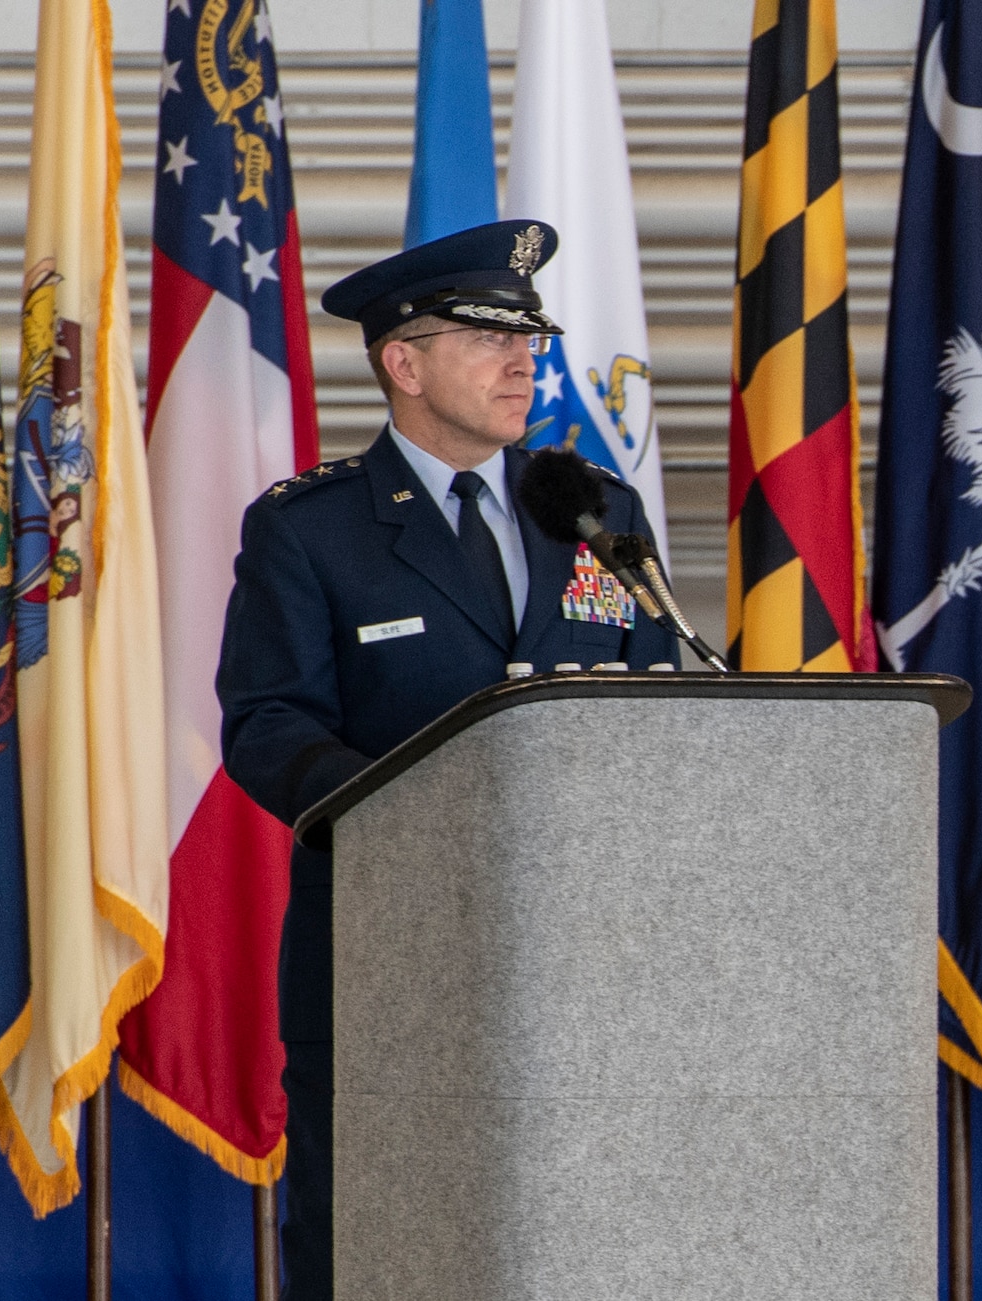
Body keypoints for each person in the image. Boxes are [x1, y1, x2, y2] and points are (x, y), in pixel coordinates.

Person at [216, 218, 678, 1299]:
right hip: (393, 939)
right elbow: (268, 724)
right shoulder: (310, 530)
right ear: (404, 362)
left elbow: (660, 702)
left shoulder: (593, 512)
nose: (526, 360)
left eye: (532, 339)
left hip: (583, 955)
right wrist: (418, 805)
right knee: (382, 1235)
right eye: (488, 340)